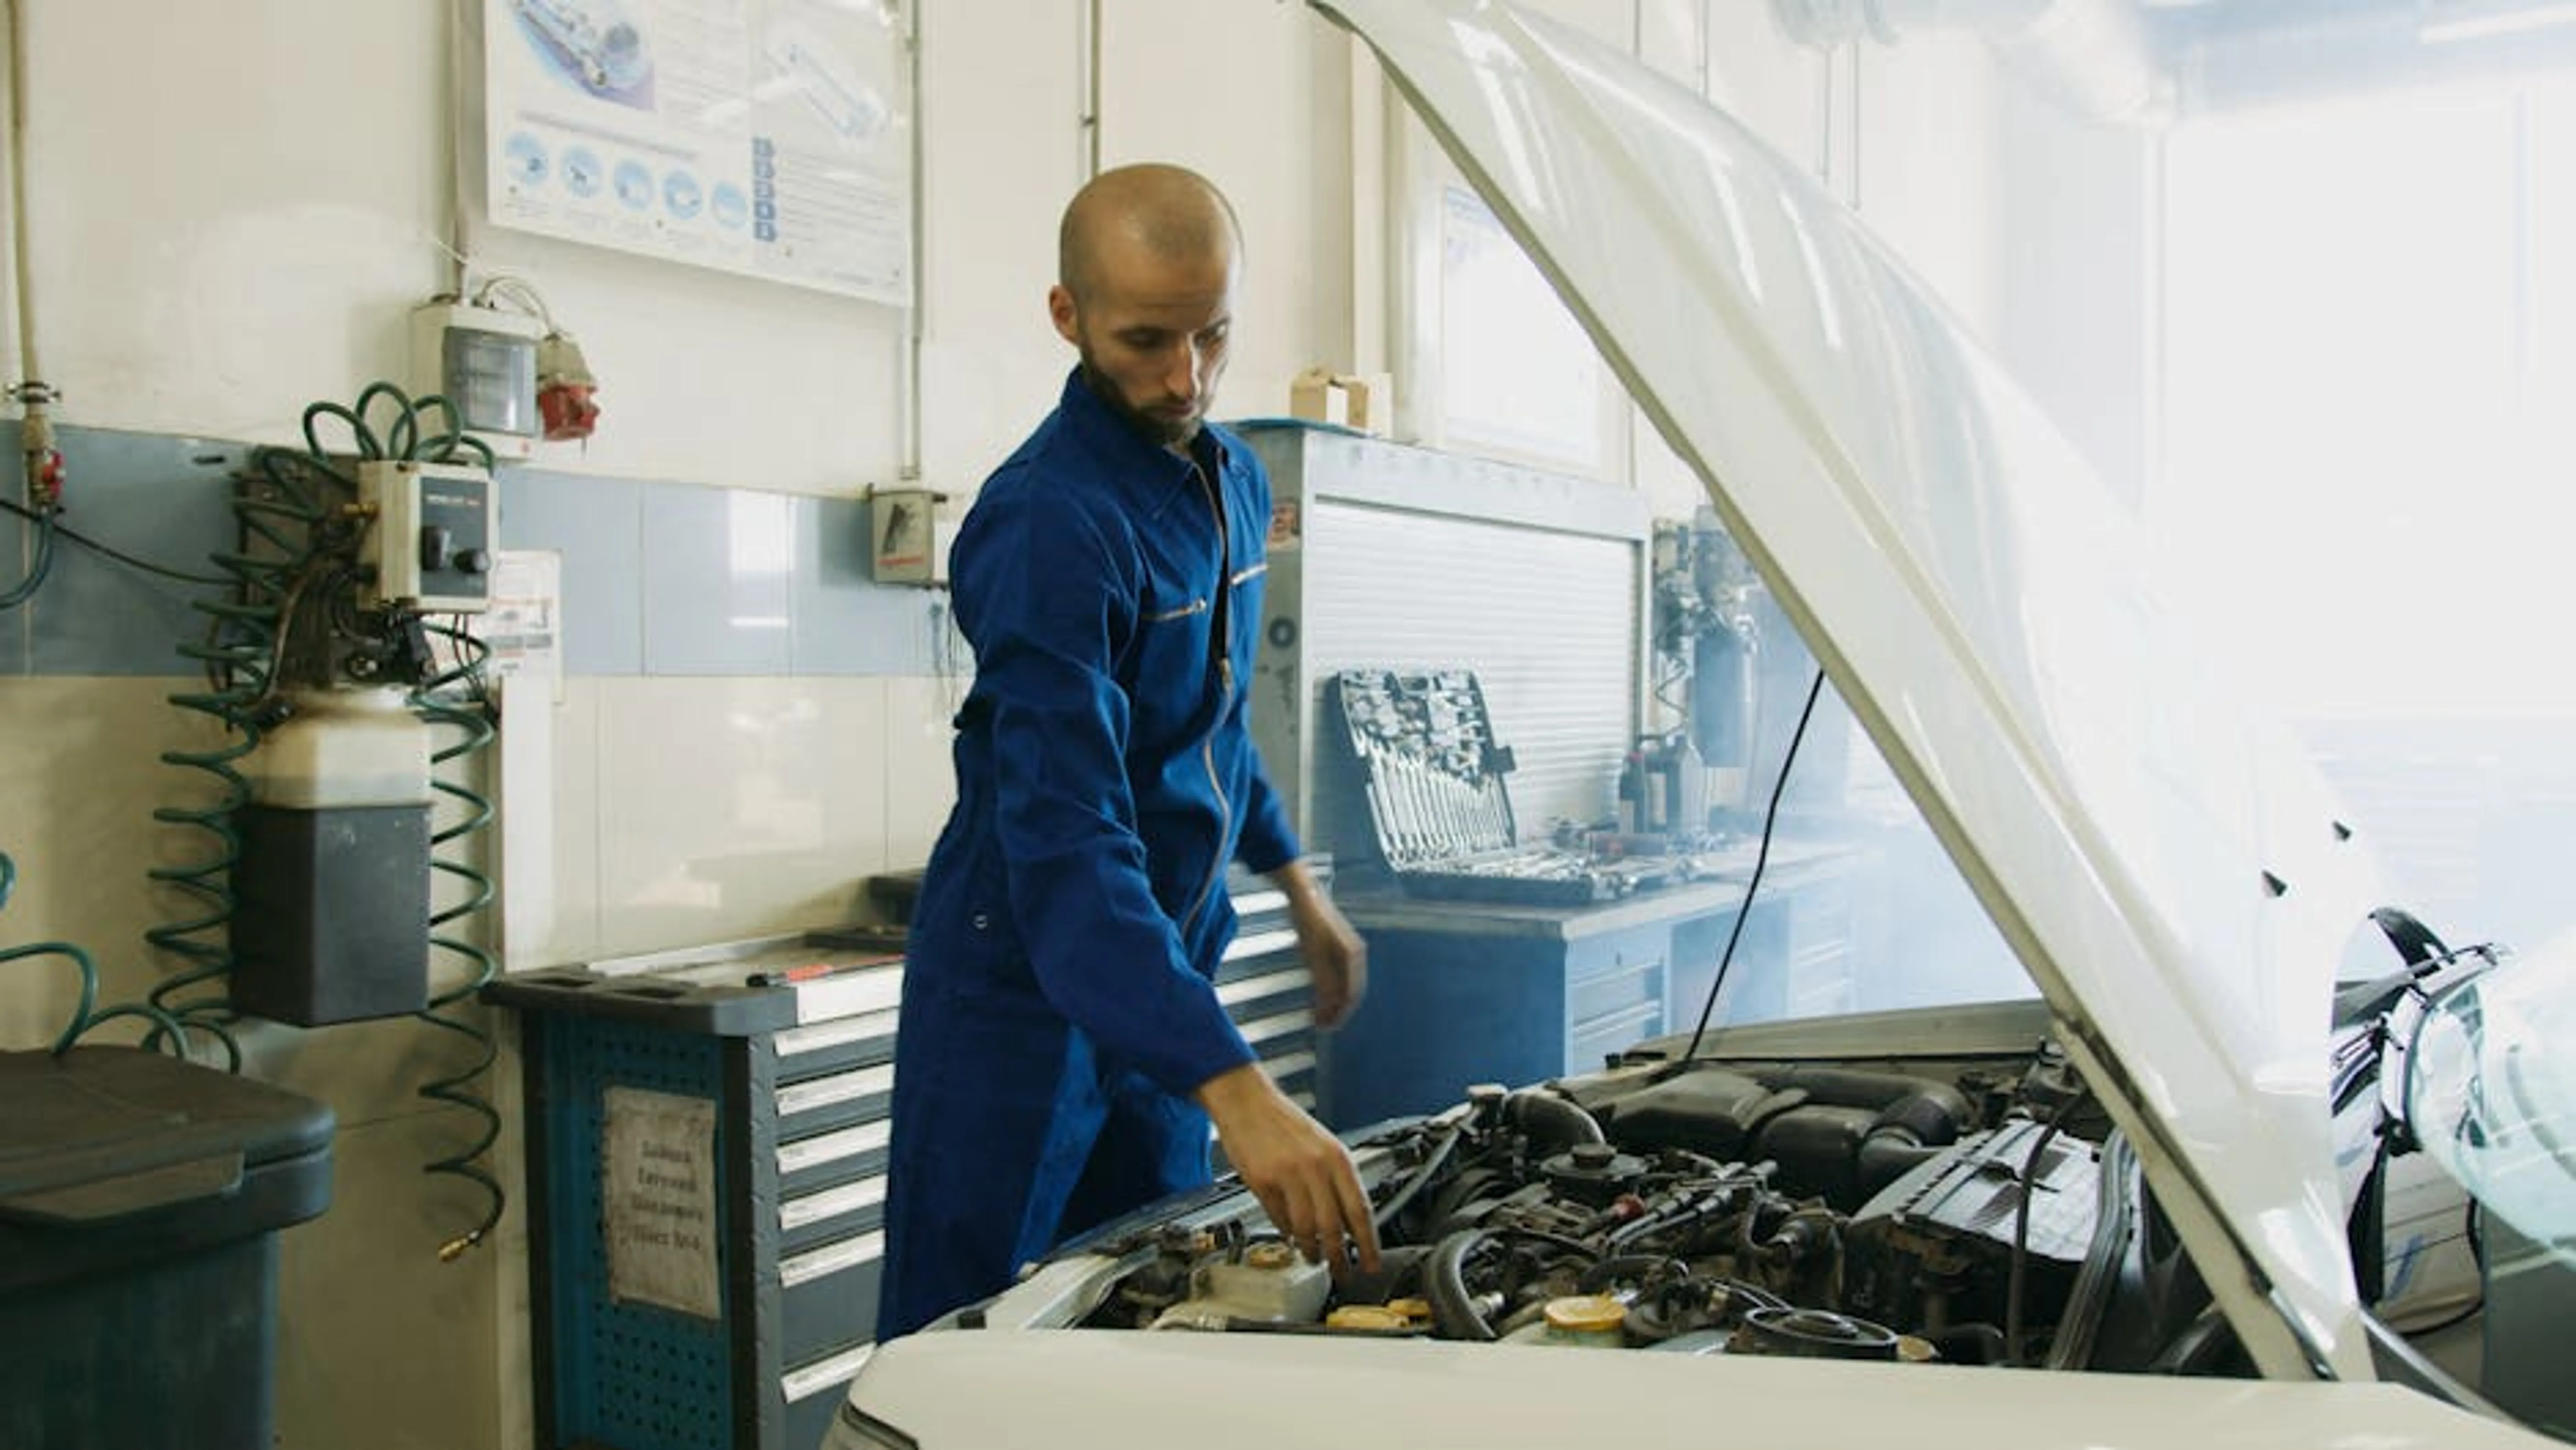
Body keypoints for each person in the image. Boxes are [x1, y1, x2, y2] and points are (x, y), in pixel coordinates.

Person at [875, 162, 1382, 1340]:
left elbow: (1204, 728)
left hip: (1162, 987)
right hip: (1022, 996)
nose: (1186, 378)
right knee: (972, 1348)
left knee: (1152, 1322)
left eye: (1214, 336)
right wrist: (1238, 1087)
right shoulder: (1049, 523)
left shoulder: (1236, 482)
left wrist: (1299, 886)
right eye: (1147, 340)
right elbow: (1067, 841)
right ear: (1068, 317)